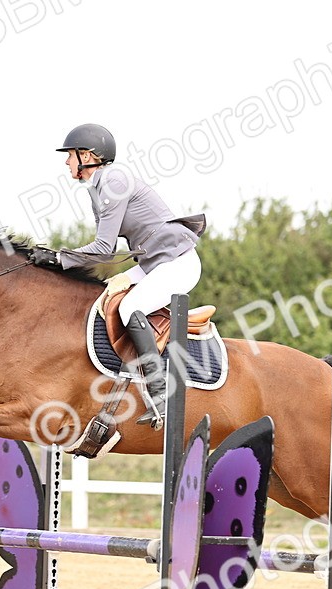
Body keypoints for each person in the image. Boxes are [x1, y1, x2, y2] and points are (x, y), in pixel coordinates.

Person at [29, 124, 205, 427]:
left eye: (70, 156)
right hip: (153, 264)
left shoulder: (114, 180)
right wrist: (59, 259)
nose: (67, 162)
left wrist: (59, 258)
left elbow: (103, 248)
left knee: (129, 308)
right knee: (106, 294)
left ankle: (161, 393)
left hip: (178, 263)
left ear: (87, 155)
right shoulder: (97, 188)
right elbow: (108, 254)